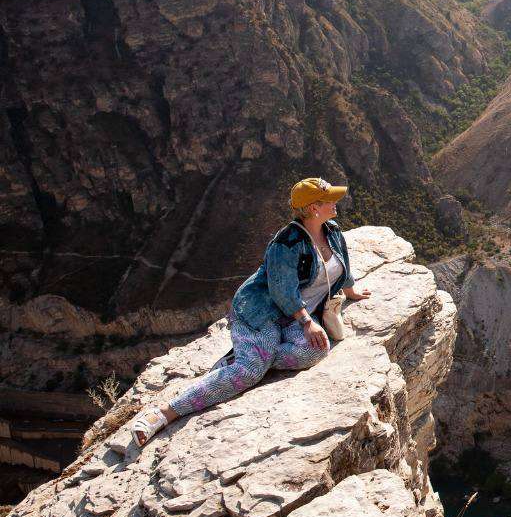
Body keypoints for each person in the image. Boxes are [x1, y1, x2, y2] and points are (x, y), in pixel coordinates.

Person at [129, 177, 372, 446]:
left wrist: (350, 291)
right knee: (250, 372)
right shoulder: (286, 244)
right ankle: (165, 413)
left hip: (292, 316)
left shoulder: (333, 231)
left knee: (316, 349)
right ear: (314, 208)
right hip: (261, 312)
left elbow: (342, 265)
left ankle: (250, 358)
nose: (336, 203)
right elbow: (282, 291)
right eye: (330, 200)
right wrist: (307, 322)